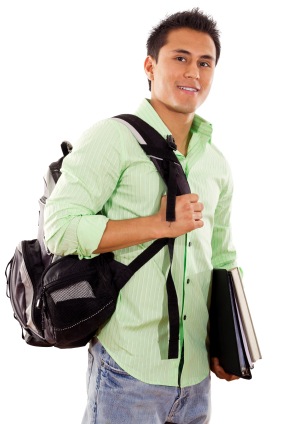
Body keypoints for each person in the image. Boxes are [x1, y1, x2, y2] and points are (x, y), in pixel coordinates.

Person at [44, 7, 240, 424]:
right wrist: (160, 225)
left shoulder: (216, 162)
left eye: (205, 62)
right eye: (180, 58)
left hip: (196, 377)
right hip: (126, 371)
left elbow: (222, 258)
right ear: (150, 66)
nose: (194, 72)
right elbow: (60, 228)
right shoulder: (111, 137)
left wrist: (228, 339)